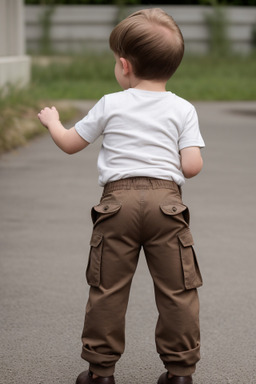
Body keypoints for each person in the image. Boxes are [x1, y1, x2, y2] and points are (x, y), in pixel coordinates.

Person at [38, 8, 205, 384]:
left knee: (108, 289)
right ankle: (179, 372)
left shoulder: (110, 103)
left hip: (116, 205)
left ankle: (100, 372)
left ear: (125, 66)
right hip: (167, 204)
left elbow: (69, 144)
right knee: (178, 289)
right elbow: (192, 166)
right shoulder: (183, 108)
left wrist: (52, 122)